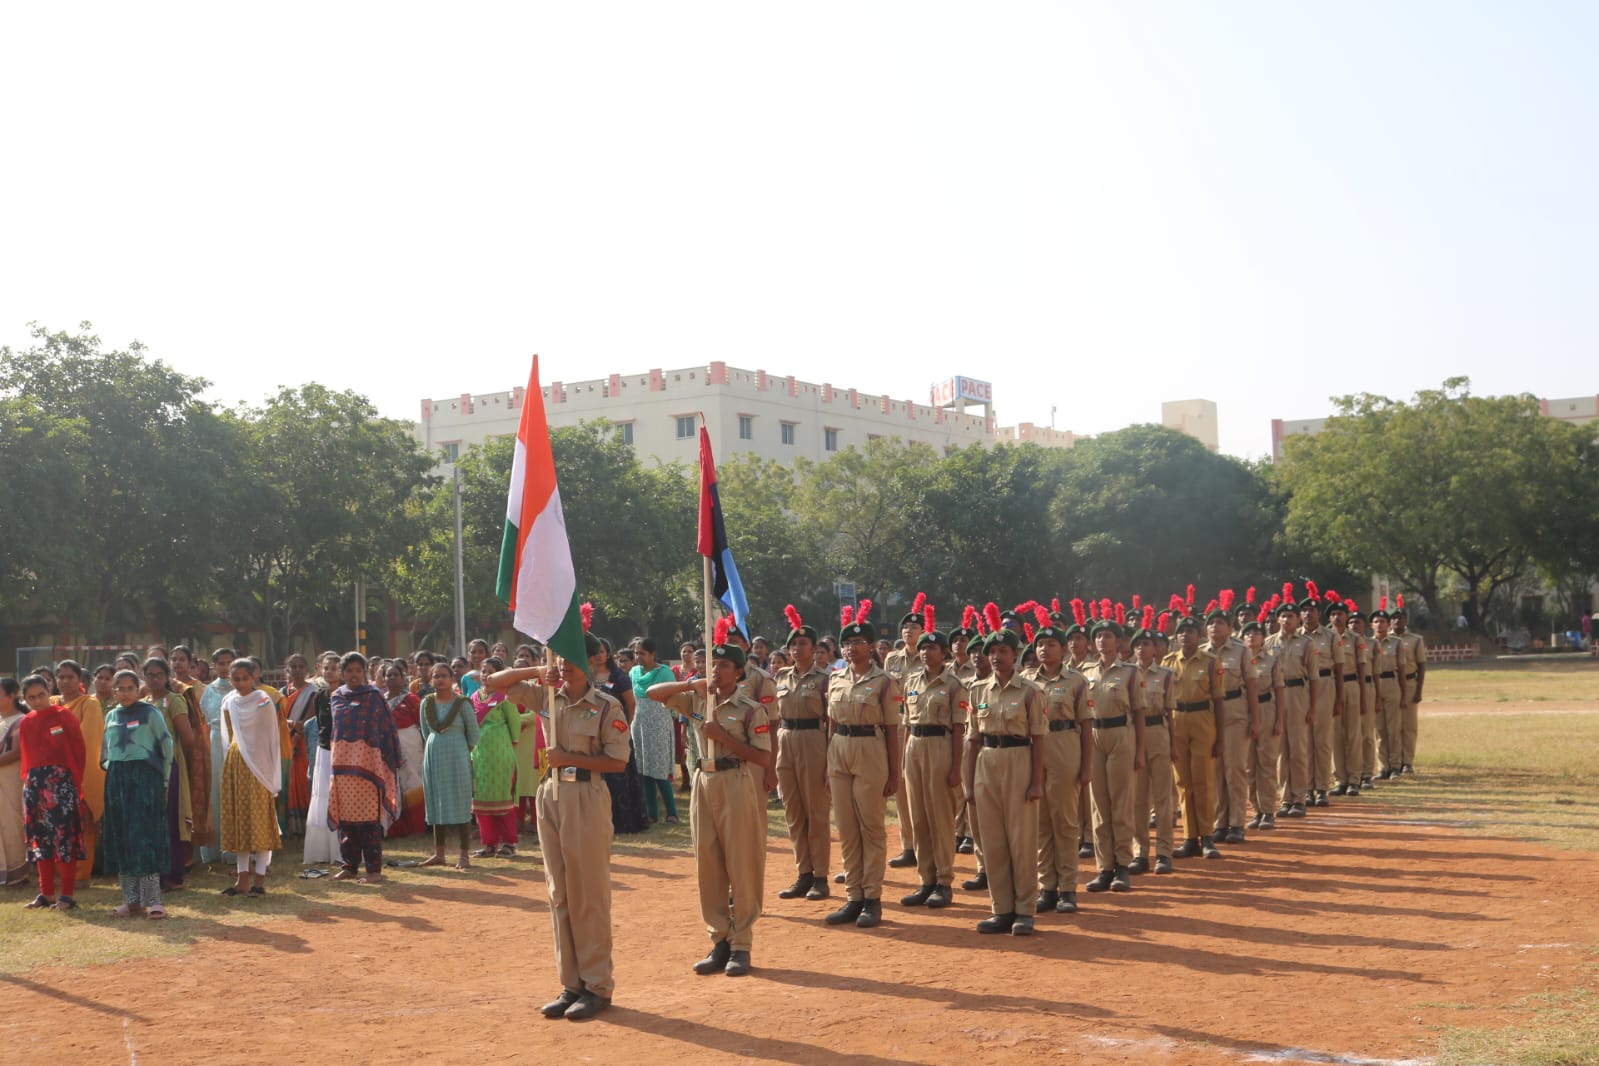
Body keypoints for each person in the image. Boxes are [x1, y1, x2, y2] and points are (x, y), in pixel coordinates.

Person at [486, 635, 628, 1022]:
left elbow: (618, 761)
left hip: (586, 794)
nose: (565, 663)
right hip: (551, 795)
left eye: (575, 657)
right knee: (559, 892)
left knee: (589, 893)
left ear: (596, 660)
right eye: (561, 656)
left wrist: (568, 756)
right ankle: (571, 984)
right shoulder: (546, 695)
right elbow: (492, 684)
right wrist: (536, 670)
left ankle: (597, 985)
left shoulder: (605, 705)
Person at [649, 638, 772, 977]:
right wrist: (693, 683)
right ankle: (719, 939)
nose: (716, 671)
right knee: (709, 862)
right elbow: (652, 693)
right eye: (712, 666)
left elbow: (762, 756)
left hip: (736, 782)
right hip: (704, 782)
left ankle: (742, 944)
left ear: (739, 672)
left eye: (724, 666)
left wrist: (724, 737)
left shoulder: (750, 708)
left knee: (741, 863)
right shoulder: (697, 699)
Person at [823, 603, 902, 930]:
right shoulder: (836, 678)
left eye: (858, 642)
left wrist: (894, 773)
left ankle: (872, 898)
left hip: (871, 747)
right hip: (840, 748)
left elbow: (893, 730)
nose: (851, 647)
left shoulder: (884, 681)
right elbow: (830, 723)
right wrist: (828, 764)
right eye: (847, 643)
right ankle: (853, 896)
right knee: (846, 827)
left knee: (871, 827)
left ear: (871, 647)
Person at [964, 628, 1046, 935]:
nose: (996, 657)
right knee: (992, 841)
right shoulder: (976, 691)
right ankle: (1001, 909)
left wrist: (1036, 782)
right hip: (987, 761)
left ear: (1015, 655)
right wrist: (969, 783)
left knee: (1021, 840)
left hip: (1018, 761)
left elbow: (1038, 738)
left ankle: (1025, 910)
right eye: (992, 652)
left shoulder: (1030, 691)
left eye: (1003, 652)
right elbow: (972, 740)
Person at [1022, 615, 1090, 913]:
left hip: (1065, 746)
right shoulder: (1025, 682)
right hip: (1034, 751)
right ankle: (1046, 886)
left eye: (1051, 644)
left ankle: (1067, 888)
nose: (1044, 649)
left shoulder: (1076, 681)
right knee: (1040, 823)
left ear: (1063, 650)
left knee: (1064, 821)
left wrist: (1087, 766)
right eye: (1040, 644)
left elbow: (1086, 726)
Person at [899, 623, 968, 910]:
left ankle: (943, 881)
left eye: (932, 648)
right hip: (915, 746)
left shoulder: (954, 686)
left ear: (944, 654)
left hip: (941, 746)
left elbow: (958, 728)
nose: (926, 652)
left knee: (940, 818)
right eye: (923, 647)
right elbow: (906, 724)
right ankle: (925, 880)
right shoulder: (911, 681)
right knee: (919, 818)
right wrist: (903, 759)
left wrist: (955, 768)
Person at [100, 670, 173, 918]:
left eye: (130, 687)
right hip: (117, 780)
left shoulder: (150, 713)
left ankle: (153, 900)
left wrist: (162, 780)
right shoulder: (111, 715)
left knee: (144, 837)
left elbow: (166, 746)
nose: (124, 692)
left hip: (145, 779)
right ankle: (131, 901)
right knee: (122, 838)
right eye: (119, 688)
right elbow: (105, 754)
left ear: (138, 688)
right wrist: (115, 773)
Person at [1081, 620, 1148, 892]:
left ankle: (1122, 865)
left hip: (1121, 733)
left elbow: (1140, 713)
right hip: (1094, 735)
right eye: (1098, 636)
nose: (1102, 641)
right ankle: (1104, 867)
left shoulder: (1131, 673)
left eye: (1107, 636)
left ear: (1119, 642)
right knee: (1098, 805)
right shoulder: (1084, 672)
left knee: (1121, 802)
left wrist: (1140, 750)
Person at [772, 608, 832, 902]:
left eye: (803, 644)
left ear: (814, 649)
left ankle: (820, 876)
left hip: (813, 740)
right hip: (786, 741)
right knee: (793, 812)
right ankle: (803, 873)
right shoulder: (781, 677)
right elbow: (774, 717)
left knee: (815, 811)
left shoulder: (825, 679)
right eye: (793, 645)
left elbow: (832, 721)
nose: (797, 649)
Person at [329, 653, 401, 883]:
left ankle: (373, 871)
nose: (353, 675)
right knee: (346, 822)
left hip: (369, 769)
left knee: (369, 822)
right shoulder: (336, 697)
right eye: (349, 670)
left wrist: (390, 759)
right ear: (342, 673)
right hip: (342, 769)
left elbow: (387, 729)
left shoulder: (374, 697)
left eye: (358, 670)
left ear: (365, 673)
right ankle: (349, 866)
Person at [18, 675, 86, 910]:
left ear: (49, 692)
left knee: (64, 838)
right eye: (31, 697)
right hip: (35, 787)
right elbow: (26, 758)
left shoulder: (64, 716)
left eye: (41, 695)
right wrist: (28, 786)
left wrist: (76, 783)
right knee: (40, 839)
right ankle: (45, 892)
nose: (37, 701)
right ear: (24, 699)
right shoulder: (26, 722)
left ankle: (66, 895)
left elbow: (79, 750)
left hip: (62, 786)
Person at [218, 659, 283, 897]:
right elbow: (231, 735)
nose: (241, 683)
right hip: (236, 763)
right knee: (240, 823)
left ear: (254, 677)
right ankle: (241, 880)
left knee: (259, 823)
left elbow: (270, 738)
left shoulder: (263, 701)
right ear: (230, 679)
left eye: (246, 678)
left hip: (259, 766)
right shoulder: (228, 702)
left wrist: (269, 771)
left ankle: (260, 881)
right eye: (236, 679)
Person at [1163, 615, 1224, 860]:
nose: (1185, 635)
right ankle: (1190, 838)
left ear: (1198, 636)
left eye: (1190, 631)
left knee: (1204, 779)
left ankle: (1207, 836)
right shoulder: (1168, 663)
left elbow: (1219, 700)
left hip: (1203, 721)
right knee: (1183, 782)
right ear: (1176, 636)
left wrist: (1220, 737)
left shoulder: (1210, 662)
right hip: (1178, 721)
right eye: (1181, 631)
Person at [1200, 609, 1257, 844]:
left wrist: (1256, 719)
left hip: (1235, 712)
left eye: (1221, 623)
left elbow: (1252, 686)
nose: (1215, 627)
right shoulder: (1201, 654)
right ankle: (1220, 823)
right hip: (1209, 714)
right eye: (1211, 623)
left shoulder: (1242, 651)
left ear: (1230, 628)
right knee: (1215, 771)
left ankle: (1236, 823)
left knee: (1234, 769)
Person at [143, 657, 197, 889]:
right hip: (146, 769)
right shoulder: (142, 702)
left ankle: (173, 875)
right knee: (152, 822)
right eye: (149, 675)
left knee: (170, 820)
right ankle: (154, 873)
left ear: (167, 677)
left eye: (158, 674)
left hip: (169, 767)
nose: (154, 679)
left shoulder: (173, 700)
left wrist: (170, 758)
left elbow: (188, 738)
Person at [419, 662, 479, 869]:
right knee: (436, 801)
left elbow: (473, 735)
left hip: (457, 756)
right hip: (434, 756)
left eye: (444, 675)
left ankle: (464, 855)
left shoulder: (462, 704)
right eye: (436, 676)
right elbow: (426, 733)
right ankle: (439, 853)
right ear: (430, 679)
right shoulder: (426, 703)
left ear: (452, 678)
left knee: (461, 801)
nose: (440, 679)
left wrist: (461, 752)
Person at [1129, 617, 1176, 875]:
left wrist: (1173, 744)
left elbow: (1171, 713)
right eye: (1138, 644)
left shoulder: (1167, 675)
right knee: (1138, 799)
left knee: (1162, 798)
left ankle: (1164, 853)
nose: (1142, 648)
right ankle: (1140, 853)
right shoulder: (1127, 673)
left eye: (1147, 644)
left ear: (1155, 648)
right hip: (1133, 734)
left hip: (1159, 732)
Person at [53, 661, 105, 886]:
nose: (65, 681)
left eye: (69, 677)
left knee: (82, 824)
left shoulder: (88, 704)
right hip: (52, 773)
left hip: (80, 772)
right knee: (57, 824)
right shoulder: (52, 703)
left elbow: (87, 741)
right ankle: (60, 872)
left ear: (80, 680)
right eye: (61, 677)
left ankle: (81, 874)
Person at [883, 599, 926, 870]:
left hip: (921, 722)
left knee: (921, 786)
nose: (908, 631)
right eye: (905, 627)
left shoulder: (929, 656)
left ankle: (927, 844)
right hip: (898, 722)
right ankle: (908, 845)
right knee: (900, 785)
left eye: (914, 627)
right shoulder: (892, 658)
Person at [1265, 599, 1316, 820]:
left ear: (1297, 620)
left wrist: (1312, 707)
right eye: (1283, 616)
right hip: (1274, 696)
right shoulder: (1267, 643)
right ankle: (1285, 798)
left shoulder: (1306, 644)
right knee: (1280, 750)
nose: (1287, 620)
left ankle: (1299, 798)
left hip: (1296, 694)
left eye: (1291, 616)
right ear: (1278, 619)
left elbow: (1314, 678)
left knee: (1297, 749)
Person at [594, 641, 649, 835]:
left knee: (619, 777)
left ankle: (624, 822)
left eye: (602, 652)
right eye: (595, 652)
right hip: (592, 735)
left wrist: (624, 727)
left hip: (617, 733)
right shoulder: (585, 675)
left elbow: (631, 703)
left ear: (608, 654)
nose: (598, 655)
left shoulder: (619, 677)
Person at [470, 657, 523, 856]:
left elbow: (514, 723)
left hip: (501, 753)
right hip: (480, 753)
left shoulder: (505, 696)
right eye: (483, 671)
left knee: (503, 798)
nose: (486, 675)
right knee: (482, 797)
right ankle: (489, 843)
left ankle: (509, 843)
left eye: (491, 671)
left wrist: (510, 746)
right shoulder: (474, 697)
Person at [629, 639, 680, 826]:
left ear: (652, 655)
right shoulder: (633, 673)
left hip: (659, 725)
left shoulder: (665, 673)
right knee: (644, 770)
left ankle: (672, 813)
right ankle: (652, 814)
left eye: (642, 653)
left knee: (659, 770)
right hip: (639, 725)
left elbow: (675, 699)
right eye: (636, 653)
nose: (638, 657)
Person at [1241, 619, 1284, 831]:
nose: (1252, 636)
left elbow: (1280, 690)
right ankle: (1256, 809)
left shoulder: (1271, 661)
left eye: (1256, 633)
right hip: (1243, 712)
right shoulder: (1238, 661)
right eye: (1247, 633)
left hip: (1266, 709)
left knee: (1266, 763)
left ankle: (1268, 811)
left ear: (1263, 638)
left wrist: (1279, 720)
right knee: (1248, 766)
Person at [198, 647, 236, 865]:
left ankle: (235, 847)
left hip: (236, 742)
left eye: (228, 662)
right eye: (220, 663)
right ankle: (213, 849)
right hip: (214, 744)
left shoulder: (242, 688)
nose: (225, 667)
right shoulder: (208, 691)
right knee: (215, 791)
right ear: (214, 665)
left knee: (234, 791)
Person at [381, 662, 427, 838]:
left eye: (396, 674)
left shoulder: (412, 699)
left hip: (410, 744)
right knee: (392, 784)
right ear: (384, 679)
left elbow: (422, 724)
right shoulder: (381, 700)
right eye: (389, 675)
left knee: (413, 782)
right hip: (387, 746)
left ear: (403, 678)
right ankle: (395, 828)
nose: (392, 678)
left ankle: (417, 827)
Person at [303, 653, 340, 866]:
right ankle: (323, 850)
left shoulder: (348, 695)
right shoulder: (319, 697)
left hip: (344, 752)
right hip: (324, 751)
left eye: (334, 668)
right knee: (323, 797)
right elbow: (319, 724)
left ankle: (343, 848)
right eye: (326, 668)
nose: (329, 672)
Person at [281, 654, 319, 836]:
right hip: (284, 742)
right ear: (287, 669)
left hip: (303, 743)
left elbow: (307, 721)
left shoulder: (313, 692)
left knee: (303, 781)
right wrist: (290, 725)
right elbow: (277, 719)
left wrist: (293, 731)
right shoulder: (281, 693)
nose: (297, 670)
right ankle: (290, 827)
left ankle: (305, 826)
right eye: (293, 666)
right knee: (287, 782)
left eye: (301, 666)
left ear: (307, 670)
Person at [0, 679, 30, 887]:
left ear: (11, 696)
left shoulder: (22, 720)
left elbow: (18, 751)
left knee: (12, 822)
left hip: (12, 778)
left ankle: (18, 873)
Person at [1393, 603, 1427, 774]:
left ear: (1405, 620)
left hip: (1409, 682)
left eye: (1400, 617)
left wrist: (1419, 690)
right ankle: (1394, 761)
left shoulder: (1415, 640)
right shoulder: (1382, 639)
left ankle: (1407, 761)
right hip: (1390, 684)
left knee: (1409, 725)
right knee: (1392, 725)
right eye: (1394, 618)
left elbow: (1421, 666)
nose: (1397, 620)